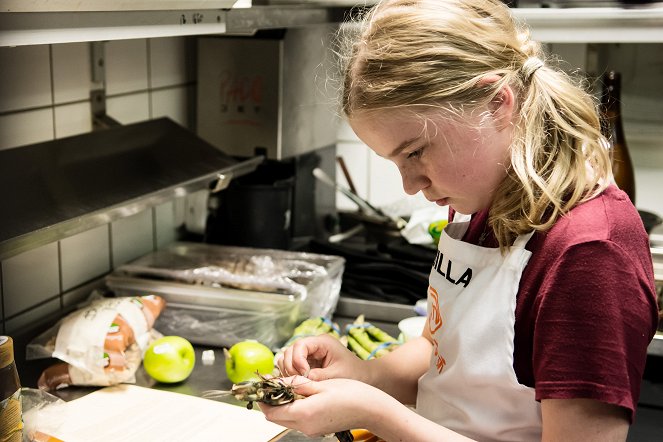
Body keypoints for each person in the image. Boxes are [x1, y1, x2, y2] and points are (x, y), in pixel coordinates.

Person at [259, 0, 659, 440]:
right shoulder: (485, 200)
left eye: (415, 152)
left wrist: (378, 413)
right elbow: (446, 352)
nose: (411, 185)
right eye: (396, 161)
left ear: (497, 104)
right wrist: (364, 375)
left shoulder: (588, 252)